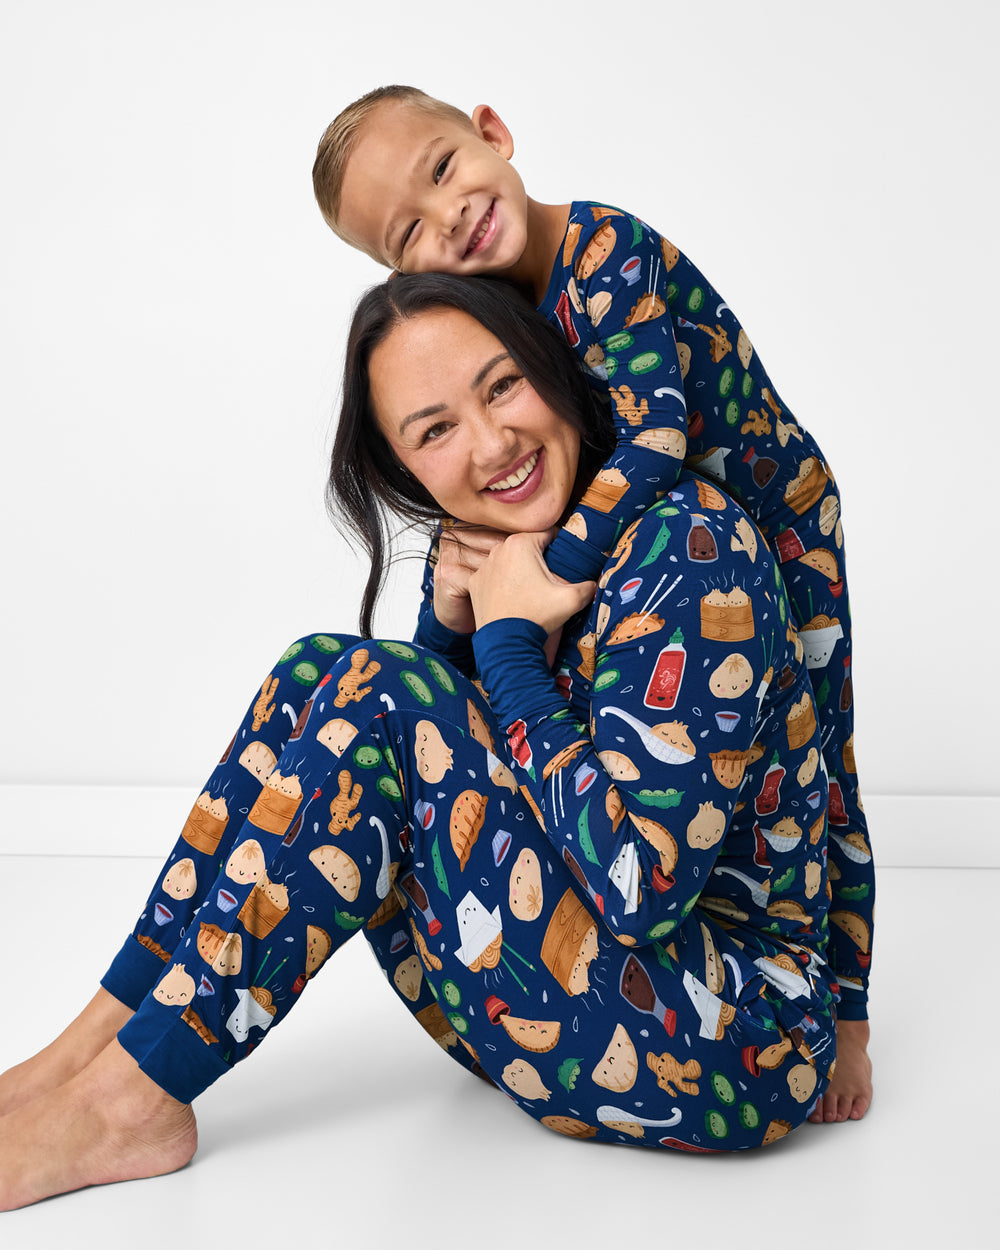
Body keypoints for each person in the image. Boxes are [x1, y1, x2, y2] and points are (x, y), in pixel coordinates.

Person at [1, 275, 849, 1210]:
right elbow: (404, 789)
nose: (492, 445)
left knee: (386, 699)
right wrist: (449, 629)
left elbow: (640, 894)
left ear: (557, 373)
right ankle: (88, 1058)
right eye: (435, 429)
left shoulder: (688, 550)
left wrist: (506, 647)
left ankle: (132, 1102)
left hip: (737, 1042)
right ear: (405, 468)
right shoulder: (511, 550)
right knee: (319, 671)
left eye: (503, 386)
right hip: (557, 1012)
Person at [314, 87, 874, 1123]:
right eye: (411, 231)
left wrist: (536, 588)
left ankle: (846, 1013)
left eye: (443, 169)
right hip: (653, 553)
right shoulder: (500, 320)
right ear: (404, 272)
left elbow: (656, 435)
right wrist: (470, 606)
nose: (452, 217)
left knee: (823, 756)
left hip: (776, 518)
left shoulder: (607, 249)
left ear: (492, 130)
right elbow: (442, 721)